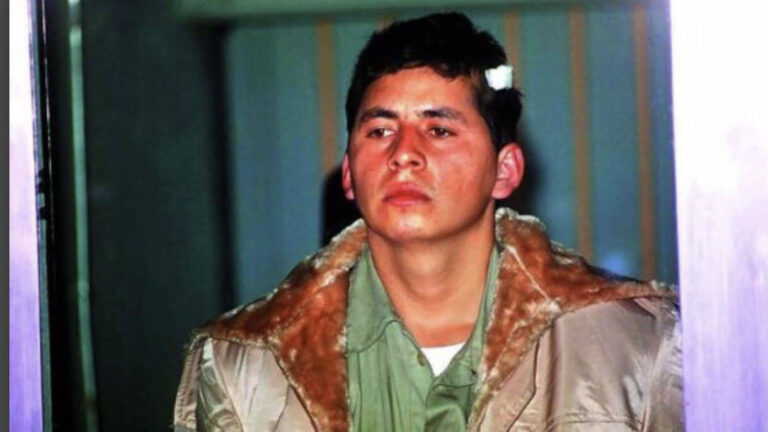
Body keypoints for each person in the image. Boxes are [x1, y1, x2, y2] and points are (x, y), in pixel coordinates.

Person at [173, 12, 682, 432]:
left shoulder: (636, 345)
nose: (403, 154)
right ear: (349, 174)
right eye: (379, 131)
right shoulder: (245, 363)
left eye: (438, 130)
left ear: (504, 171)